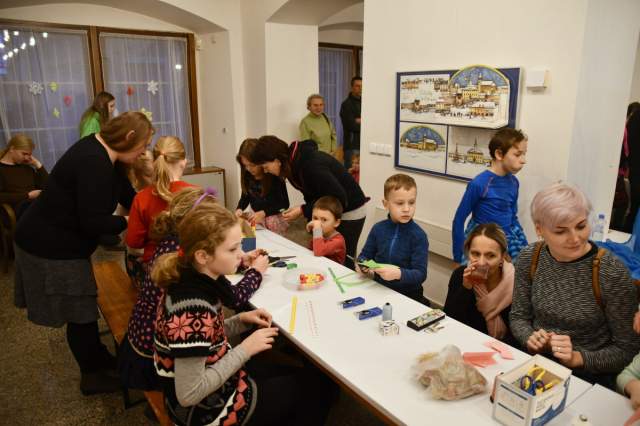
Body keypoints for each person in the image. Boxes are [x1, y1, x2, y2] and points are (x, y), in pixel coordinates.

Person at [153, 202, 335, 425]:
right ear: (202, 256)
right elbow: (189, 394)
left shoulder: (194, 278)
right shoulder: (191, 309)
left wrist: (240, 320)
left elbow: (206, 337)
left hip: (217, 382)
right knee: (319, 386)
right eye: (232, 250)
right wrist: (246, 348)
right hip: (207, 410)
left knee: (301, 377)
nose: (241, 255)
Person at [14, 111, 153, 395]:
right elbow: (93, 222)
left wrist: (147, 207)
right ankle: (92, 376)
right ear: (128, 137)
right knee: (79, 311)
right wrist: (129, 221)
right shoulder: (93, 161)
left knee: (85, 308)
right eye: (143, 145)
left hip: (60, 239)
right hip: (49, 245)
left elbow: (126, 193)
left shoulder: (105, 152)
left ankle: (98, 358)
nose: (143, 152)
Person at [119, 187, 268, 392]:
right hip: (151, 358)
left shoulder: (181, 255)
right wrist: (255, 272)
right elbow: (232, 298)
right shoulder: (191, 302)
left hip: (151, 344)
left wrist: (237, 260)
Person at [510, 183, 640, 388]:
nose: (575, 238)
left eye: (581, 226)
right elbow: (518, 316)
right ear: (539, 229)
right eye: (560, 231)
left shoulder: (610, 272)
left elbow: (627, 350)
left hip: (587, 376)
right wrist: (530, 339)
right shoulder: (529, 258)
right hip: (536, 362)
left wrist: (578, 358)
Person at [250, 135, 368, 269]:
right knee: (325, 255)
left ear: (277, 161)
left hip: (351, 209)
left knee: (343, 261)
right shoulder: (293, 166)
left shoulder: (310, 165)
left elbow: (337, 196)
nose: (266, 171)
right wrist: (305, 210)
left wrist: (303, 209)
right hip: (334, 209)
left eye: (266, 166)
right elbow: (314, 193)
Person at [452, 128, 528, 265]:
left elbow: (513, 217)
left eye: (524, 154)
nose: (523, 160)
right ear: (499, 154)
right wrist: (458, 256)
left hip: (506, 239)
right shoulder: (479, 183)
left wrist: (524, 244)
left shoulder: (514, 182)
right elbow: (459, 219)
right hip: (482, 241)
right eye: (518, 155)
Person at [356, 174, 429, 305]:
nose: (407, 209)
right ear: (386, 204)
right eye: (400, 203)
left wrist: (399, 274)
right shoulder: (378, 229)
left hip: (408, 296)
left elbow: (420, 274)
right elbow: (364, 256)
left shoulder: (419, 236)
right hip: (379, 289)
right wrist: (363, 265)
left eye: (411, 202)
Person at [126, 136, 192, 267]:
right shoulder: (196, 194)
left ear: (154, 162)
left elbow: (134, 242)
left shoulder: (141, 198)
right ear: (183, 162)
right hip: (190, 266)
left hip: (155, 268)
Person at [444, 223, 516, 344]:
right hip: (467, 343)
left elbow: (519, 333)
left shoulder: (516, 282)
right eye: (476, 254)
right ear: (468, 253)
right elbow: (450, 322)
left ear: (502, 257)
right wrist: (465, 288)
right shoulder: (460, 275)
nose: (481, 263)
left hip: (504, 349)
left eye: (490, 255)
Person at [235, 138, 289, 235]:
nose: (249, 169)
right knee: (252, 235)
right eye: (245, 165)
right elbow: (245, 196)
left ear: (261, 161)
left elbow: (284, 204)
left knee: (271, 235)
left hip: (274, 218)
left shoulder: (274, 175)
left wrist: (264, 213)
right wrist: (239, 208)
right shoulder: (247, 175)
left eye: (252, 165)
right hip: (257, 217)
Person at [0, 134, 48, 213]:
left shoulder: (27, 168)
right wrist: (27, 195)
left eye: (29, 155)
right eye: (24, 154)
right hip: (21, 208)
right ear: (12, 149)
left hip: (36, 205)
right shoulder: (2, 170)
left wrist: (37, 164)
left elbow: (48, 186)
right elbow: (2, 197)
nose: (26, 158)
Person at [306, 195, 346, 264]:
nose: (318, 223)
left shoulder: (338, 241)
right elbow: (311, 251)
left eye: (324, 219)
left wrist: (317, 229)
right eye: (315, 218)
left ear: (336, 223)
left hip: (333, 269)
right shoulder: (320, 234)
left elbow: (318, 251)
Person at [340, 76, 362, 169]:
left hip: (363, 144)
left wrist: (359, 120)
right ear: (352, 87)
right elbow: (351, 125)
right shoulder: (346, 104)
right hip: (352, 147)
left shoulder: (365, 102)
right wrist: (364, 122)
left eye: (362, 86)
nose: (360, 88)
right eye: (357, 86)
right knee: (350, 174)